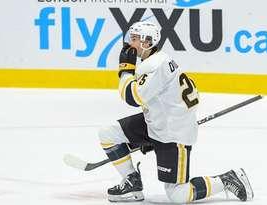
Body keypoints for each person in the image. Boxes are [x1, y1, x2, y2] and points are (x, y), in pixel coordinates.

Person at [98, 21, 254, 203]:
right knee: (108, 134)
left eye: (134, 39)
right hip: (158, 123)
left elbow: (132, 97)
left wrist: (125, 71)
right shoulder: (158, 59)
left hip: (173, 134)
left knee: (178, 195)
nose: (129, 44)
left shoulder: (155, 66)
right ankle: (132, 183)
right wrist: (152, 135)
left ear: (147, 42)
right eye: (130, 38)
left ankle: (227, 179)